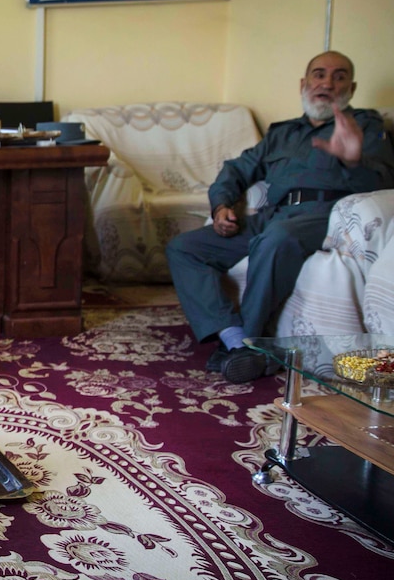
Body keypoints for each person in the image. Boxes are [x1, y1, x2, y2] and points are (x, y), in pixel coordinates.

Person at [166, 51, 394, 383]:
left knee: (276, 239)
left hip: (324, 215)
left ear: (352, 87)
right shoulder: (282, 133)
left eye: (339, 76)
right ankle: (233, 342)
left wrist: (353, 160)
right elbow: (237, 169)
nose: (327, 83)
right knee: (184, 248)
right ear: (304, 83)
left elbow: (384, 181)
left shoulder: (366, 125)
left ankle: (252, 346)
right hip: (275, 215)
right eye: (319, 74)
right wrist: (222, 206)